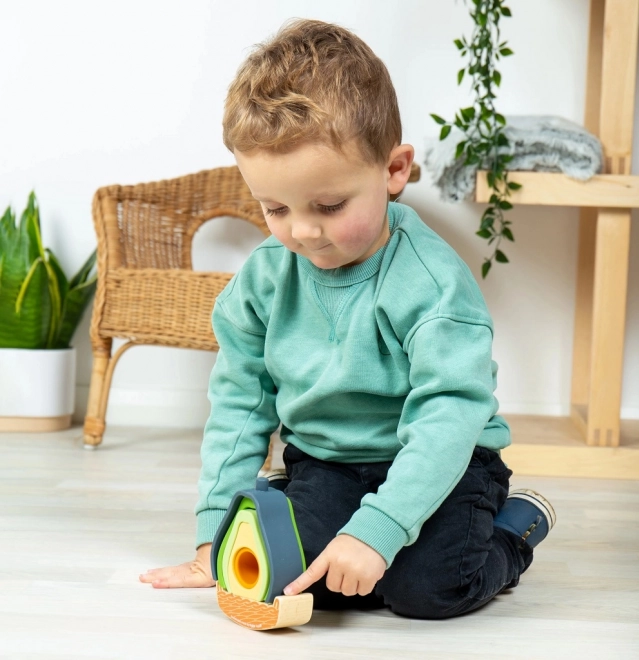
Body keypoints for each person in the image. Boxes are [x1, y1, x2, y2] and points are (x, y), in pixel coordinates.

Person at [139, 18, 556, 618]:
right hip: (327, 461)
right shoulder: (261, 282)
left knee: (426, 592)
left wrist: (378, 530)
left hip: (444, 461)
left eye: (329, 206)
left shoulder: (432, 284)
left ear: (393, 172)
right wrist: (216, 533)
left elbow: (450, 412)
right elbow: (240, 405)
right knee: (297, 578)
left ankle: (513, 530)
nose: (303, 231)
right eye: (275, 208)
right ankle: (290, 505)